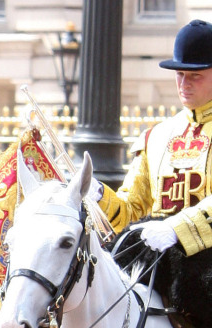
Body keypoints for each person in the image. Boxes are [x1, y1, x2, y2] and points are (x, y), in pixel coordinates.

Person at [91, 19, 212, 252]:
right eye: (180, 74)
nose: (184, 84)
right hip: (161, 263)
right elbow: (129, 212)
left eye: (195, 76)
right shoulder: (156, 137)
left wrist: (179, 229)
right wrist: (99, 194)